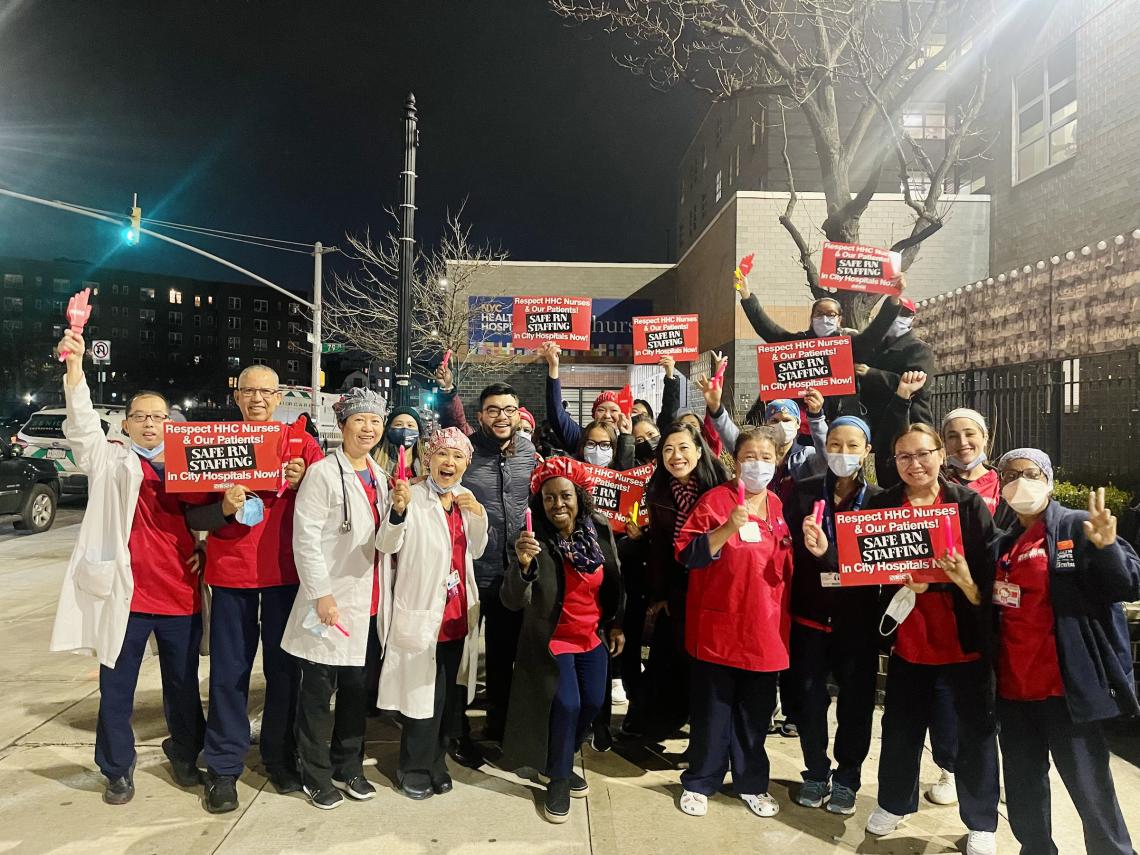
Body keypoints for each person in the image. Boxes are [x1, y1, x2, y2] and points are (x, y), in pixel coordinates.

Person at [49, 329, 206, 805]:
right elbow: (80, 426)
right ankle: (117, 768)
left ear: (170, 421)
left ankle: (185, 753)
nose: (151, 424)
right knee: (117, 688)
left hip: (179, 592)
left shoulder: (190, 462)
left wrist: (205, 545)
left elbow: (208, 512)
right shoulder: (108, 459)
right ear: (127, 423)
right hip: (127, 596)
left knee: (182, 688)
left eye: (159, 416)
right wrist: (75, 369)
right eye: (141, 417)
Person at [185, 364, 323, 813]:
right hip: (232, 578)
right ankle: (223, 768)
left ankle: (279, 758)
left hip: (287, 578)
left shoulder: (304, 444)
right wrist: (223, 509)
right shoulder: (214, 443)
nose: (258, 398)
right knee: (229, 675)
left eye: (266, 391)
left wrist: (305, 484)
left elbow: (330, 509)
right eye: (249, 391)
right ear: (237, 395)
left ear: (280, 395)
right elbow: (193, 518)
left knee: (285, 674)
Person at [859, 424, 999, 855]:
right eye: (904, 456)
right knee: (899, 728)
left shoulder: (968, 504)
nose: (915, 464)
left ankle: (981, 821)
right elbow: (863, 565)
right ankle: (893, 803)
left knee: (974, 734)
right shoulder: (882, 504)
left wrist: (941, 585)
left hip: (962, 639)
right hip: (909, 640)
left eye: (923, 454)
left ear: (941, 456)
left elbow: (989, 575)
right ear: (893, 461)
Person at [991, 450, 1138, 855]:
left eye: (1031, 473)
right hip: (1014, 691)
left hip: (1065, 690)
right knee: (1023, 786)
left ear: (1050, 480)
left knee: (1091, 790)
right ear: (1002, 487)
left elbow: (1127, 584)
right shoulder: (1003, 545)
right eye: (1012, 474)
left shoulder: (1077, 525)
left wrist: (1108, 547)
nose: (1022, 481)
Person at [673, 425, 794, 819]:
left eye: (765, 457)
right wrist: (727, 526)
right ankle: (701, 780)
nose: (757, 465)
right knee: (713, 711)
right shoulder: (715, 501)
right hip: (719, 628)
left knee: (755, 715)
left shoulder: (778, 506)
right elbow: (687, 554)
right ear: (734, 461)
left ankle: (751, 783)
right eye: (749, 458)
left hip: (766, 629)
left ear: (776, 461)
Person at [280, 388, 388, 810]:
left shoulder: (380, 478)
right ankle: (315, 773)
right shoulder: (323, 473)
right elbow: (304, 539)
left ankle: (349, 766)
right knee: (317, 697)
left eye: (375, 421)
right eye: (360, 420)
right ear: (343, 426)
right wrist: (321, 595)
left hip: (369, 604)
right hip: (330, 604)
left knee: (356, 695)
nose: (368, 428)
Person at [501, 456, 624, 824]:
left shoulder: (598, 530)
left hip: (591, 635)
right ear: (540, 502)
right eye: (549, 497)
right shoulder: (532, 541)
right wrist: (522, 566)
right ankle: (557, 776)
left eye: (565, 496)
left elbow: (615, 580)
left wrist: (616, 624)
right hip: (552, 640)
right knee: (568, 704)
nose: (558, 504)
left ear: (578, 496)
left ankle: (560, 756)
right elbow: (512, 600)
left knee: (593, 702)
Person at [378, 428, 489, 800]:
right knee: (420, 696)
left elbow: (475, 549)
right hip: (423, 611)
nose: (450, 463)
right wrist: (397, 511)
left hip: (457, 613)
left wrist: (479, 516)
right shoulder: (412, 495)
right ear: (429, 459)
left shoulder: (465, 498)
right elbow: (386, 544)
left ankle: (437, 763)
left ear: (466, 464)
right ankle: (412, 765)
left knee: (446, 698)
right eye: (443, 455)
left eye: (458, 457)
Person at [436, 381, 537, 752]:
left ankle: (499, 722)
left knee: (502, 652)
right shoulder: (466, 451)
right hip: (470, 569)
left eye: (508, 409)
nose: (501, 417)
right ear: (480, 416)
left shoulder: (528, 452)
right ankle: (454, 726)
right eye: (493, 410)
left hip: (512, 572)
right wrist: (449, 395)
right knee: (460, 652)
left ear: (518, 412)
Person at [789, 415, 882, 815]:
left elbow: (877, 561)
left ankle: (847, 777)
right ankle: (815, 769)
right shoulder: (804, 491)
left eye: (852, 447)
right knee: (807, 702)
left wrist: (828, 553)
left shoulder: (880, 500)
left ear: (867, 453)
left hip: (856, 623)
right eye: (836, 445)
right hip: (809, 617)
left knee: (856, 706)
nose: (843, 454)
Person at [627, 422, 729, 742]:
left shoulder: (721, 489)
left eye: (684, 448)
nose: (676, 456)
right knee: (669, 660)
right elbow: (660, 546)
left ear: (699, 451)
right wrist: (659, 594)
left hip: (713, 588)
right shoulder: (658, 490)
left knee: (707, 669)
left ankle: (705, 740)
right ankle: (658, 724)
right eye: (668, 450)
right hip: (677, 588)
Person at [735, 270, 905, 361]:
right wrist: (746, 295)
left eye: (831, 314)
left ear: (839, 319)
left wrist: (893, 299)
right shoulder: (798, 343)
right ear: (811, 318)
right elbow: (768, 329)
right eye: (819, 314)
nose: (825, 318)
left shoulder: (850, 343)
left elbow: (874, 334)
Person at [856, 299, 937, 477]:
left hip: (911, 425)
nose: (898, 318)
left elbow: (918, 387)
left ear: (912, 318)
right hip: (882, 431)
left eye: (905, 314)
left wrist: (872, 374)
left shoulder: (919, 349)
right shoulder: (875, 348)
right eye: (895, 313)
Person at [540, 341, 626, 450]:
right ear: (593, 414)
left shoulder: (626, 443)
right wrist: (553, 366)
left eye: (613, 411)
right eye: (601, 410)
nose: (607, 415)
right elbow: (556, 414)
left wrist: (626, 438)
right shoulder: (580, 437)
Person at [372, 405, 427, 479]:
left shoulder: (427, 463)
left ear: (418, 432)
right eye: (398, 424)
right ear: (389, 429)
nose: (405, 428)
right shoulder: (373, 458)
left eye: (410, 425)